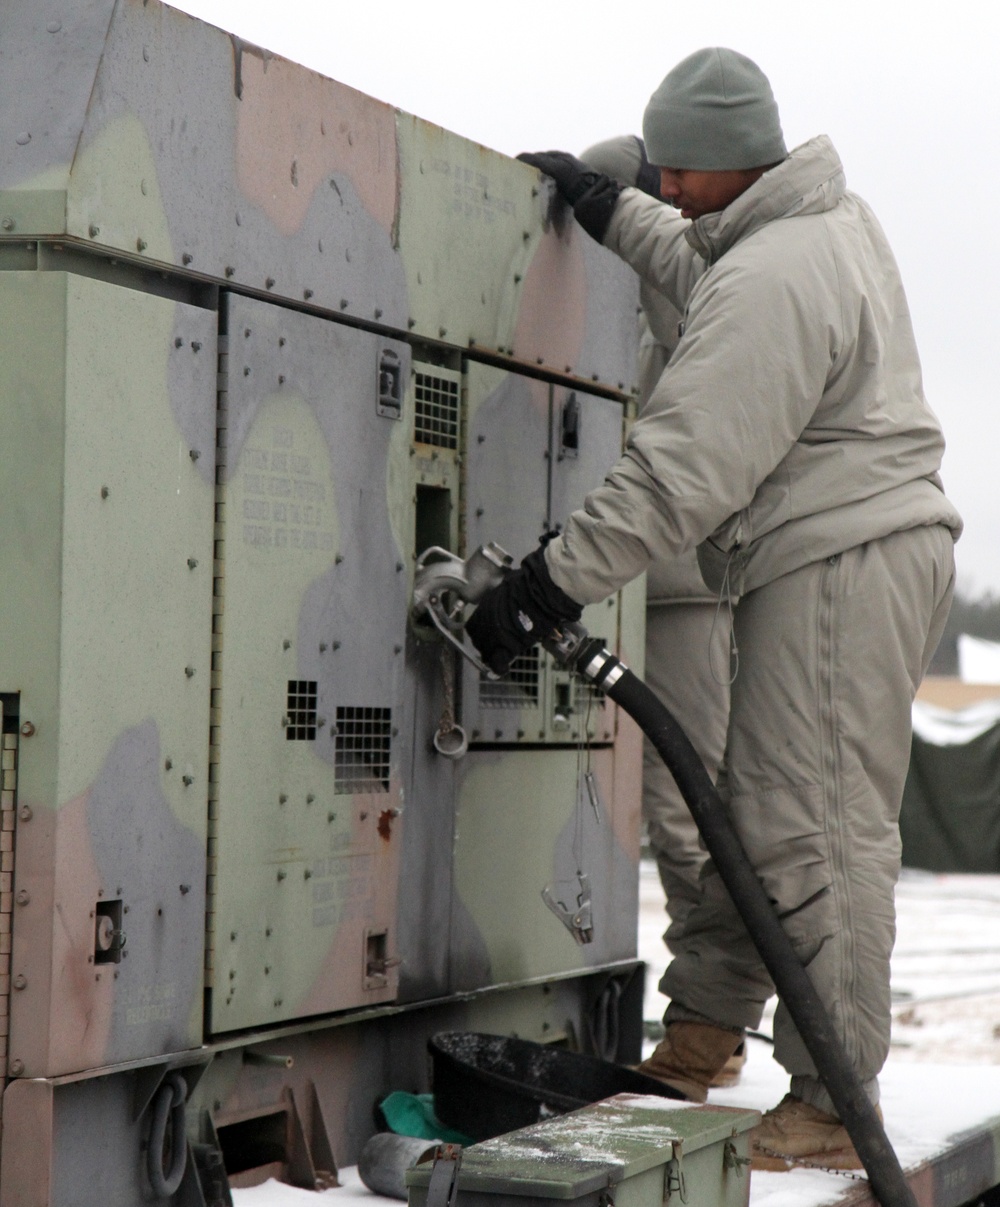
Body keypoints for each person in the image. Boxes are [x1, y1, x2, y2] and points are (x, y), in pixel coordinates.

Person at [467, 47, 961, 1169]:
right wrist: (607, 209)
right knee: (756, 808)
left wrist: (546, 582)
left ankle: (835, 1100)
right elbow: (698, 259)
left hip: (840, 557)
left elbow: (682, 467)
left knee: (813, 828)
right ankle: (705, 1026)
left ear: (731, 163)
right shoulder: (808, 227)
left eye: (676, 172)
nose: (668, 192)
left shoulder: (776, 276)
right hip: (842, 551)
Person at [579, 136, 743, 1086]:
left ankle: (708, 1028)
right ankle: (702, 1022)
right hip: (637, 576)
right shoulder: (634, 308)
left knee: (690, 811)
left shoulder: (697, 283)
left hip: (684, 582)